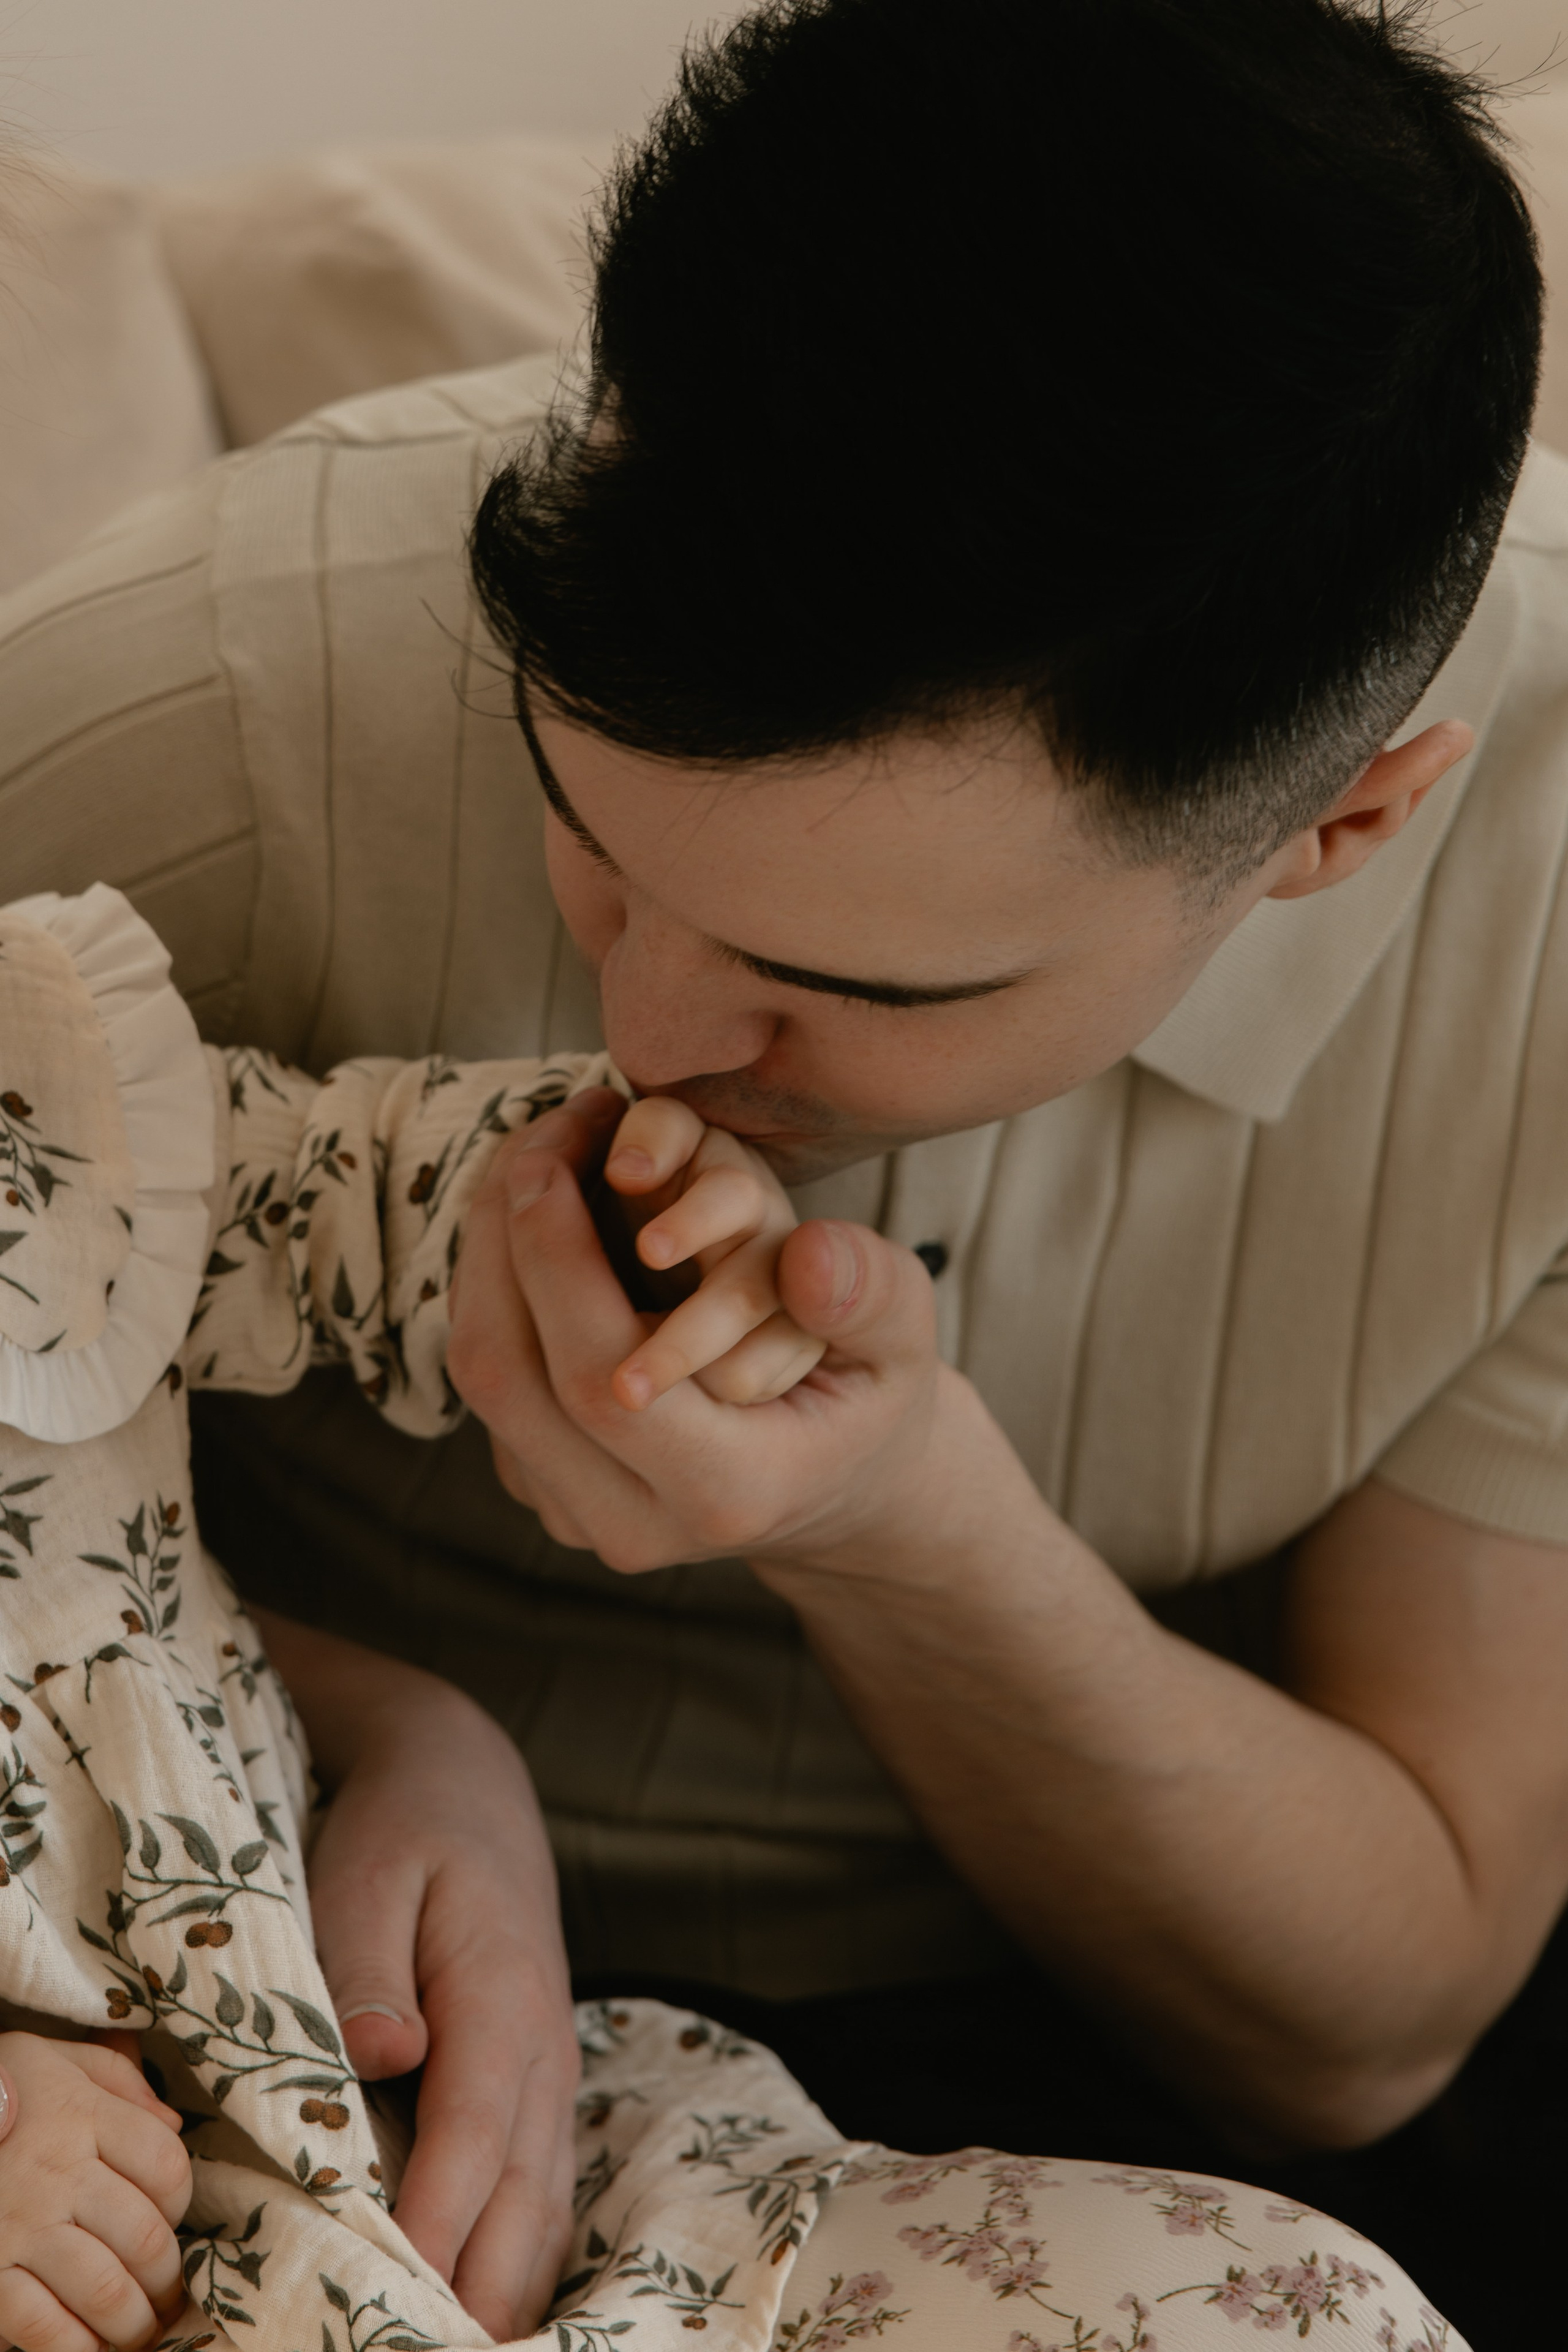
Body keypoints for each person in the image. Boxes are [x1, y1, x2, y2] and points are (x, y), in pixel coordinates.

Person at [0, 0, 1560, 2340]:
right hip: (198, 1992)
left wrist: (904, 1528)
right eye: (589, 833)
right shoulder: (183, 718)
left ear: (1343, 829)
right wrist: (372, 1735)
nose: (643, 1043)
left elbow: (1366, 2027)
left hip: (1106, 2027)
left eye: (855, 985)